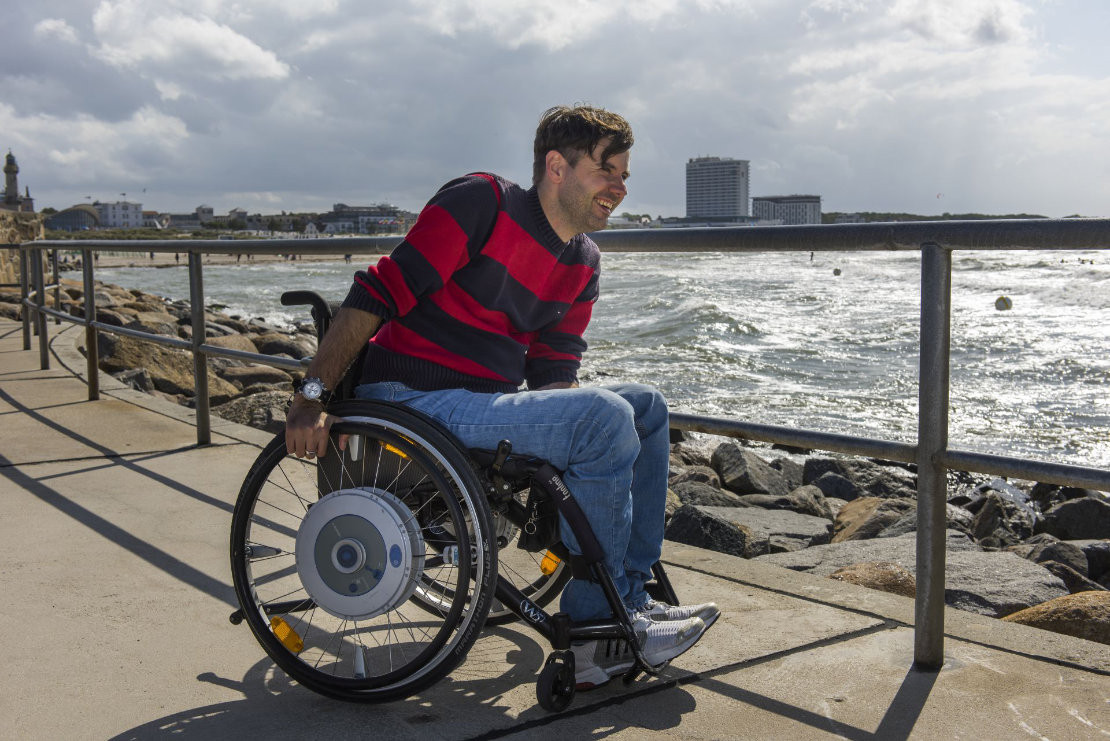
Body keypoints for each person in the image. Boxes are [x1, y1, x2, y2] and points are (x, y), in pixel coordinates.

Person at [285, 105, 718, 689]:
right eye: (606, 170)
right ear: (556, 166)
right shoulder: (482, 203)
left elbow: (553, 371)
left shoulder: (584, 261)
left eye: (624, 175)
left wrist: (573, 443)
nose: (619, 187)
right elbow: (377, 291)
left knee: (644, 408)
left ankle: (629, 599)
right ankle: (597, 632)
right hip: (411, 398)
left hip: (482, 404)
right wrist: (313, 394)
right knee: (605, 416)